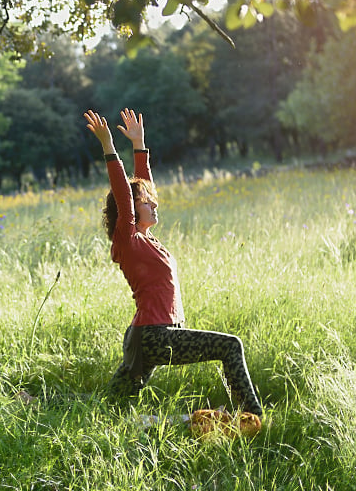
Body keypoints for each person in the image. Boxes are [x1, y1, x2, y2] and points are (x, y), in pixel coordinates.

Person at [84, 108, 263, 416]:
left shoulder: (148, 240)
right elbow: (125, 195)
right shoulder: (128, 240)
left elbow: (142, 189)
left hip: (149, 336)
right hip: (153, 336)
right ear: (131, 209)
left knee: (107, 410)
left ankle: (41, 404)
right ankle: (253, 417)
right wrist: (109, 147)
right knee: (230, 345)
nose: (154, 204)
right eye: (146, 203)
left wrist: (140, 146)